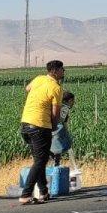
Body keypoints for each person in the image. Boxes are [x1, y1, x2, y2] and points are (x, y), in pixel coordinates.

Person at [19, 60, 65, 205]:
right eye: (62, 69)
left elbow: (27, 88)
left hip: (26, 123)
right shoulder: (56, 87)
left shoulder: (39, 78)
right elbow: (55, 113)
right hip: (40, 125)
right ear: (55, 71)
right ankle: (26, 194)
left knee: (39, 160)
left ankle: (43, 192)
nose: (63, 72)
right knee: (41, 161)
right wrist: (54, 127)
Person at [50, 91, 74, 167]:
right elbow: (61, 121)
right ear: (70, 100)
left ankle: (53, 163)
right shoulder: (65, 108)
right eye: (73, 101)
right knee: (59, 147)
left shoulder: (57, 105)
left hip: (48, 128)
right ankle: (56, 165)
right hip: (56, 129)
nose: (73, 103)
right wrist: (66, 131)